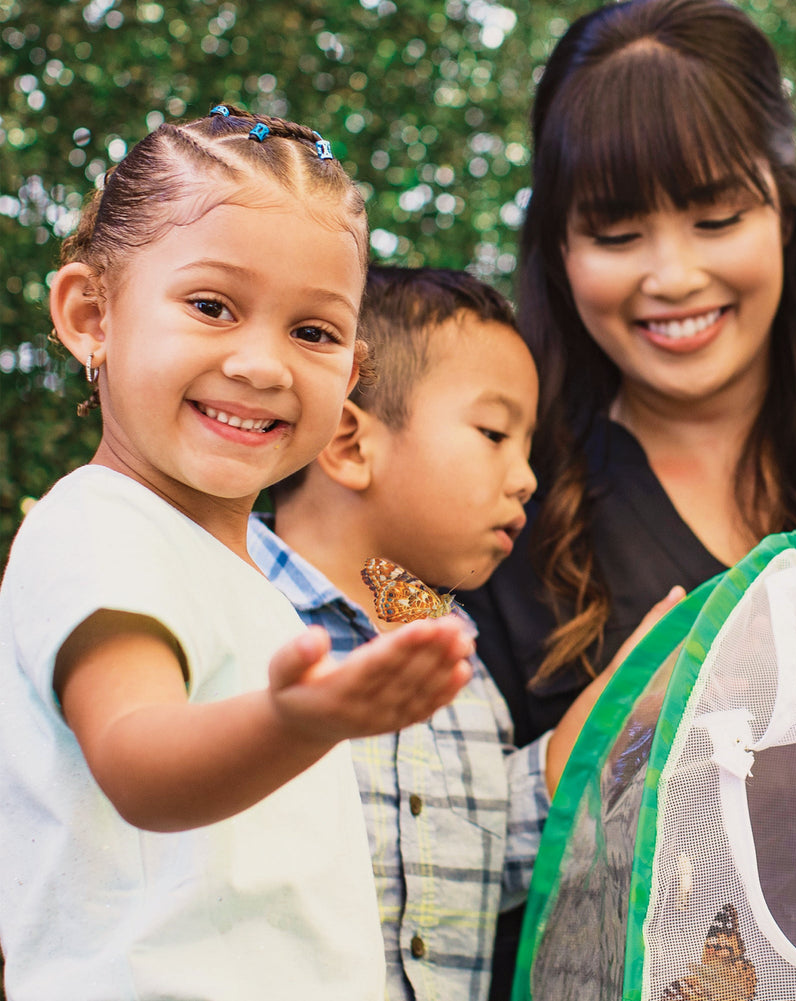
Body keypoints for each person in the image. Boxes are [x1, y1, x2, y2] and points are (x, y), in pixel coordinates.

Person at [457, 0, 796, 981]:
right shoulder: (484, 529)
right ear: (557, 248)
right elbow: (411, 865)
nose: (675, 274)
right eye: (617, 232)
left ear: (783, 208)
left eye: (716, 217)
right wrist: (605, 750)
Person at [0, 107, 474, 1001]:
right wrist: (299, 721)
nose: (263, 364)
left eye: (314, 331)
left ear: (352, 374)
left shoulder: (246, 572)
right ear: (90, 314)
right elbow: (140, 761)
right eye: (212, 307)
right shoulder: (98, 525)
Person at [247, 265, 678, 1001]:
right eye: (493, 433)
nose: (525, 479)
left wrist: (637, 683)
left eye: (527, 447)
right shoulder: (229, 610)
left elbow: (509, 844)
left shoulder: (466, 674)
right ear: (349, 443)